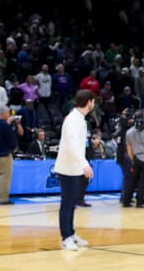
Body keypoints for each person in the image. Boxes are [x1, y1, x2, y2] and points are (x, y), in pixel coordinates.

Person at [55, 89, 95, 250]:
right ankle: (66, 237)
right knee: (66, 204)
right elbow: (72, 145)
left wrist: (82, 164)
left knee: (72, 203)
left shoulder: (80, 119)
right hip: (67, 168)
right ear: (90, 102)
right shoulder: (72, 119)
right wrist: (84, 163)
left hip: (75, 168)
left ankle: (71, 233)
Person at [0, 106, 19, 204]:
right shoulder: (5, 126)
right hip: (4, 155)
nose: (9, 114)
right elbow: (12, 140)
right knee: (5, 177)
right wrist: (14, 147)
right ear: (2, 114)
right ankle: (3, 198)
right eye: (7, 113)